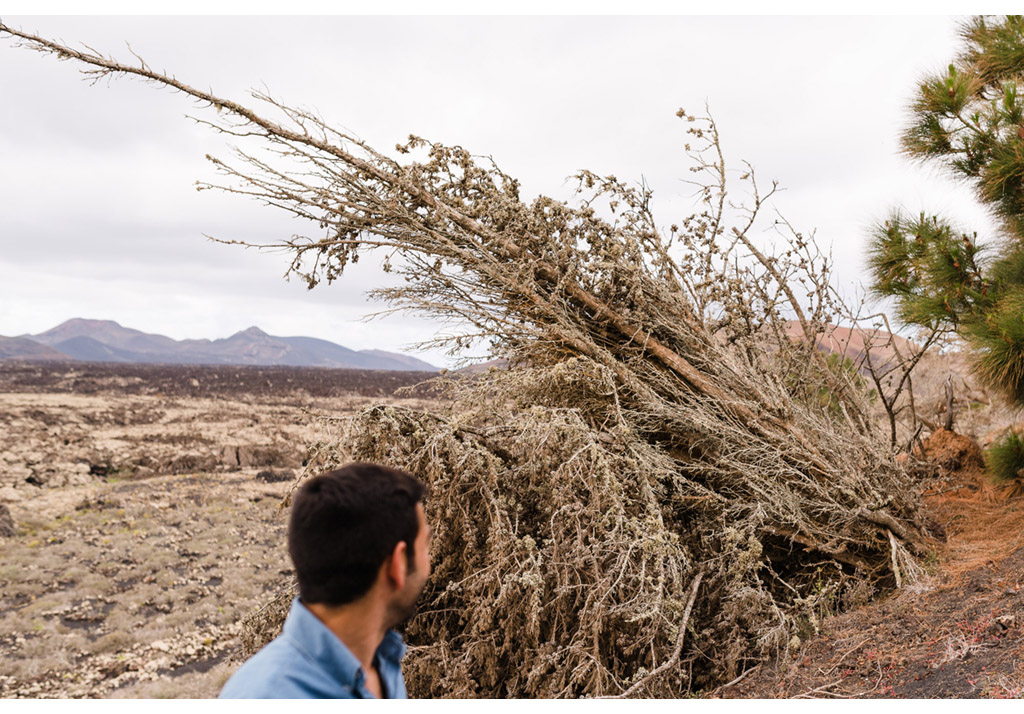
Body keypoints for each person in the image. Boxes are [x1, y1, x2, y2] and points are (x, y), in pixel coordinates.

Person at [220, 462, 430, 699]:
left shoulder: (380, 662)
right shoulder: (265, 696)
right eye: (426, 545)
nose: (429, 561)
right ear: (398, 564)